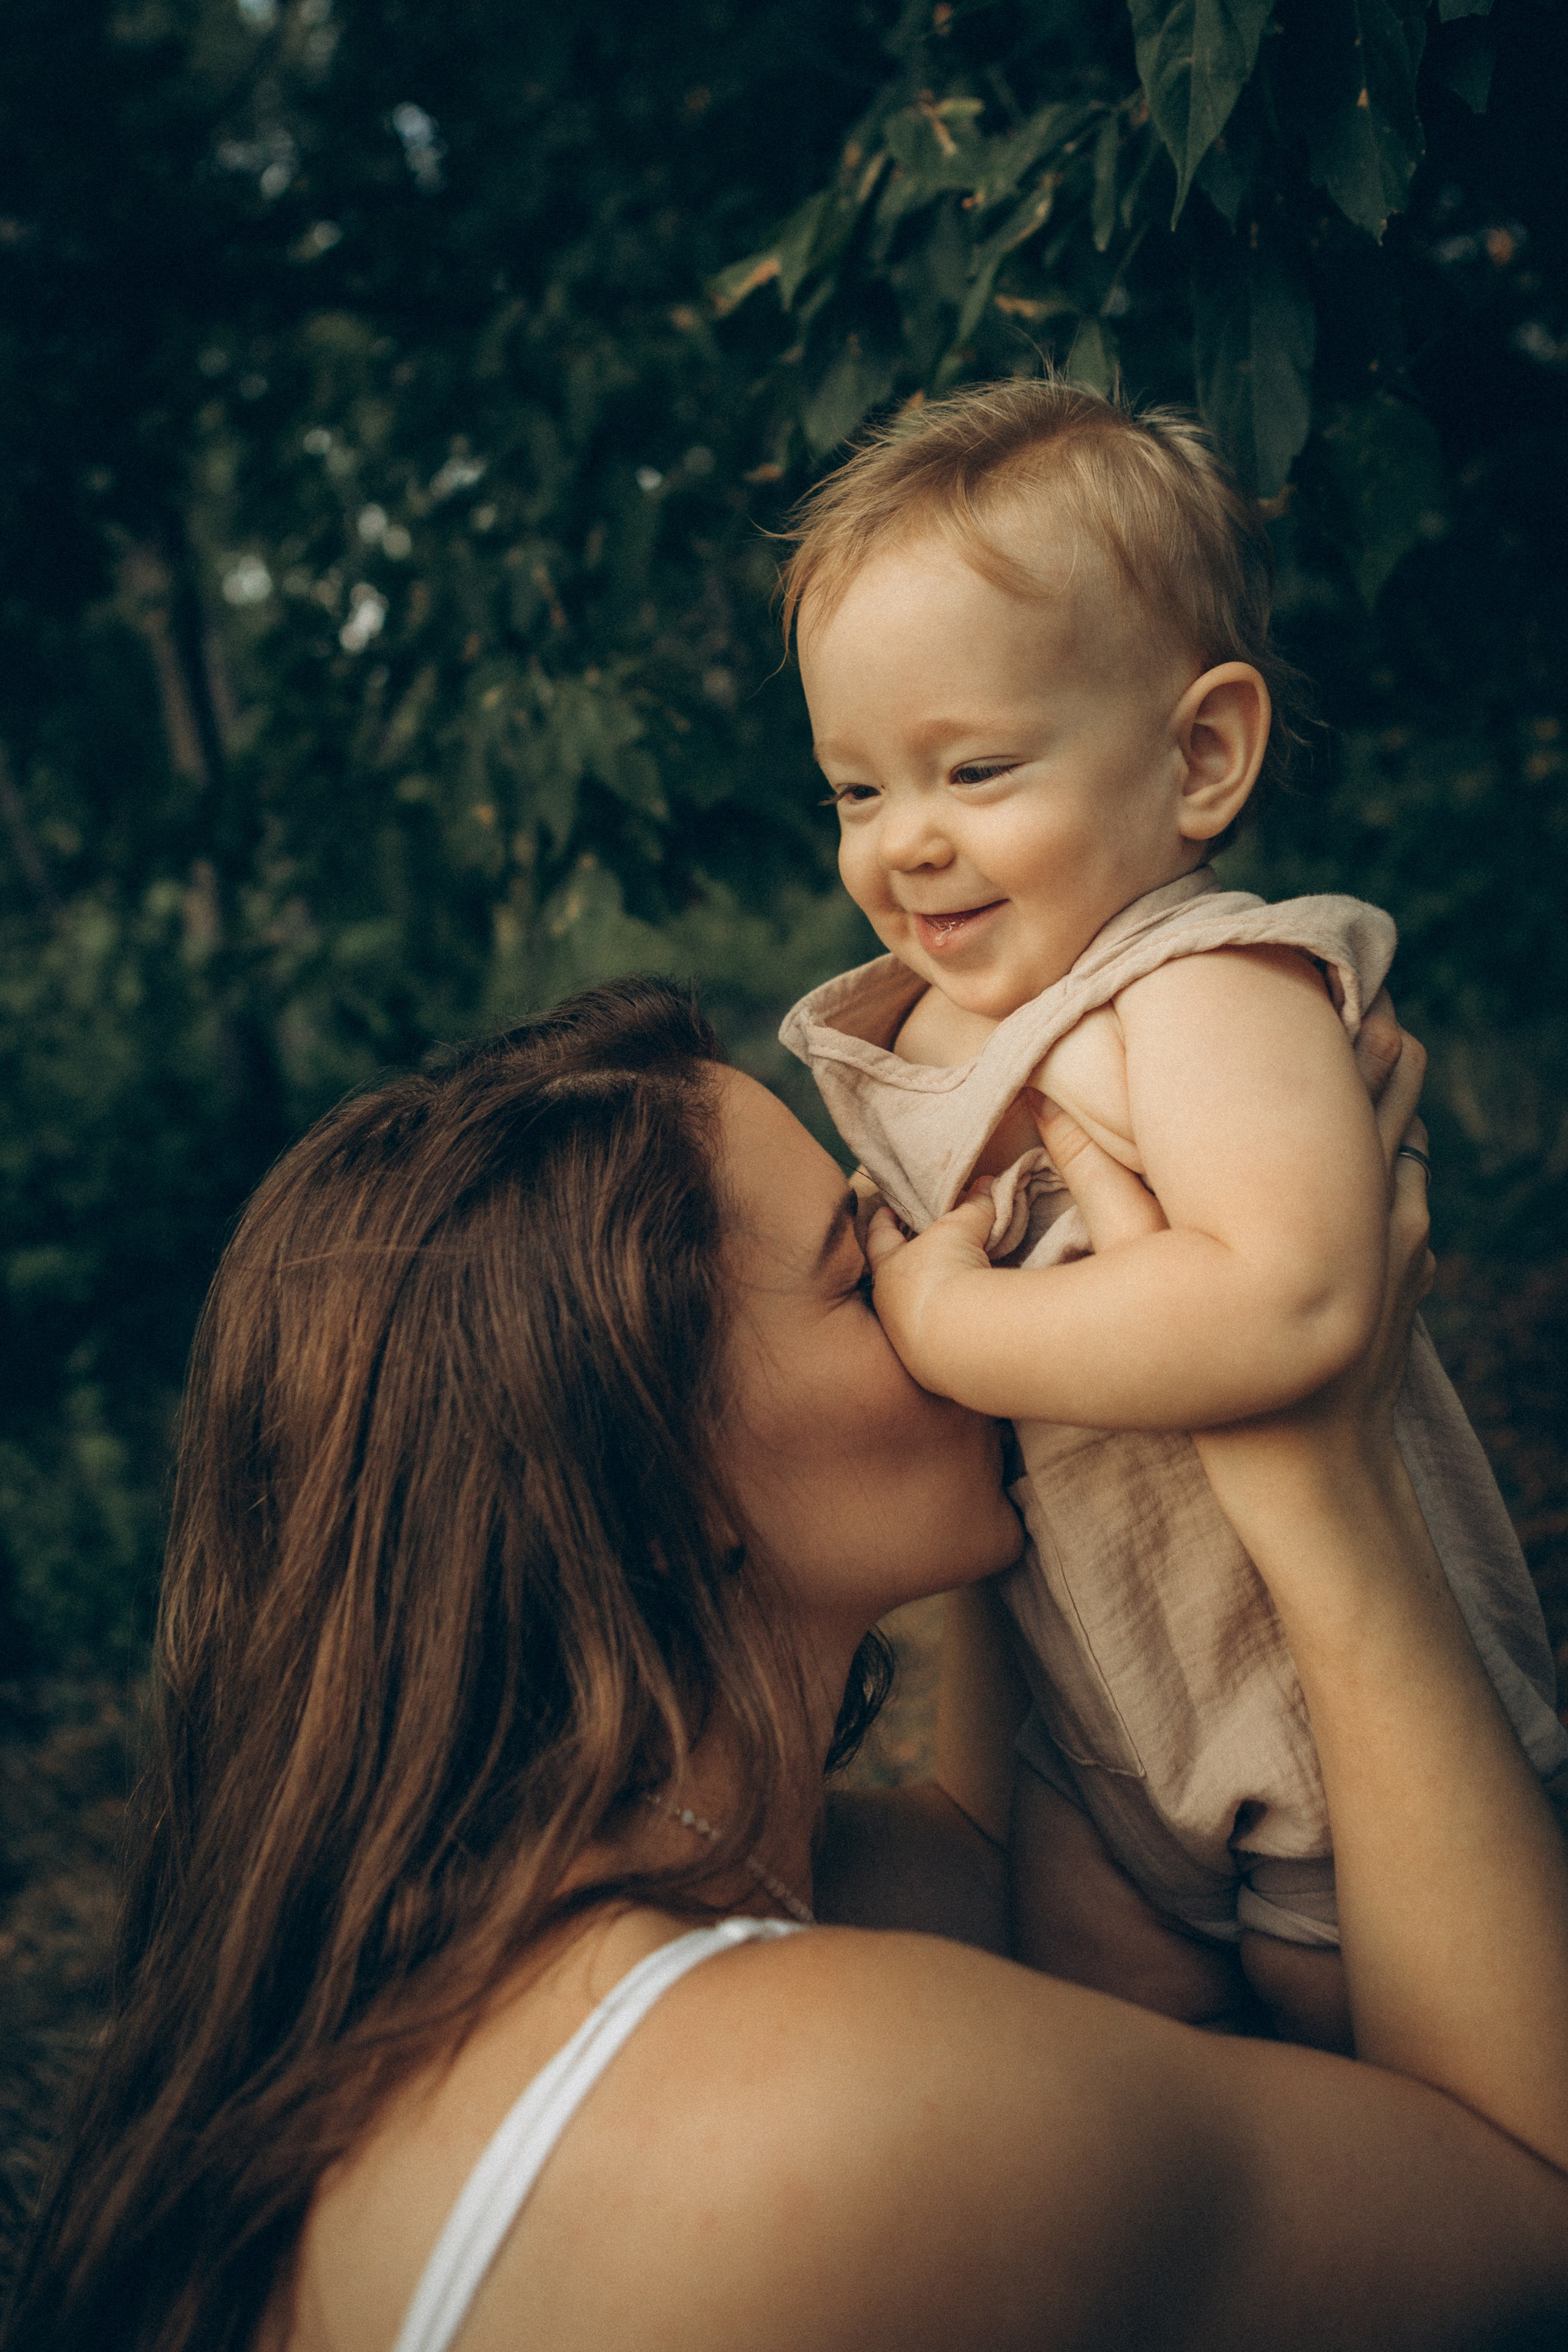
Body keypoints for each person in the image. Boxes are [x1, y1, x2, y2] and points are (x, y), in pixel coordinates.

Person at [6, 974, 1568, 2352]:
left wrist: (1097, 1345)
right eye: (858, 1263)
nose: (943, 1269)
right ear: (657, 1494)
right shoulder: (809, 2117)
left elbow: (1007, 1848)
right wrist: (1323, 1472)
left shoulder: (477, 1934)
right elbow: (1529, 2207)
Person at [778, 376, 1568, 2048]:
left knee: (1400, 2107)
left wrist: (948, 1321)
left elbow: (1292, 1300)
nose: (905, 844)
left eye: (973, 769)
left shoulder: (1203, 987)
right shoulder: (931, 1036)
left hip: (1320, 1730)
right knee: (1129, 2061)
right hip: (1095, 1743)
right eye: (856, 792)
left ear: (1201, 754)